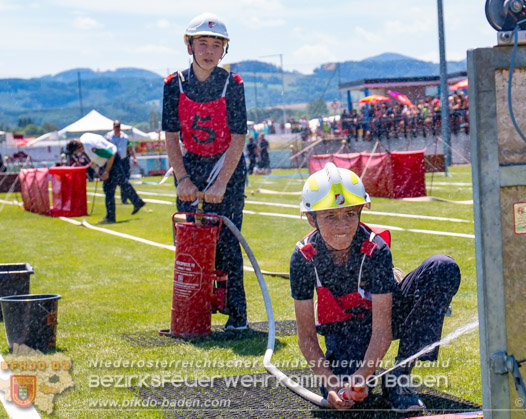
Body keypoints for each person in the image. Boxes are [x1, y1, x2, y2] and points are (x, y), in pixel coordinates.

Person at [290, 163, 461, 412]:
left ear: (361, 211)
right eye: (330, 216)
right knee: (356, 401)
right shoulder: (303, 258)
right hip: (346, 328)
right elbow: (306, 336)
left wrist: (364, 372)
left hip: (389, 316)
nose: (343, 226)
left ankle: (398, 378)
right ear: (310, 219)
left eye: (351, 214)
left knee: (442, 268)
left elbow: (382, 328)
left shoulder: (376, 250)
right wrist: (331, 384)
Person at [162, 12, 249, 330]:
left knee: (227, 240)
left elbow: (239, 136)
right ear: (189, 47)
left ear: (224, 50)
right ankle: (192, 308)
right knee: (188, 241)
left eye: (217, 44)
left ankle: (236, 313)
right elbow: (171, 135)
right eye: (203, 43)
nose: (209, 50)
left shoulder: (233, 84)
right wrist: (182, 177)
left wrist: (222, 183)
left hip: (227, 163)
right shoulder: (174, 84)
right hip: (191, 164)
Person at [66, 133, 145, 223]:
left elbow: (110, 155)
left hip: (112, 160)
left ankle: (111, 217)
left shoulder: (90, 148)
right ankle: (137, 201)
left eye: (76, 152)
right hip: (112, 158)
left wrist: (106, 171)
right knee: (122, 182)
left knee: (109, 189)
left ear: (78, 148)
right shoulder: (84, 137)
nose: (77, 153)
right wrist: (95, 162)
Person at [105, 120, 137, 204]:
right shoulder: (109, 137)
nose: (117, 128)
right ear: (113, 127)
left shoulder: (125, 137)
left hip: (124, 160)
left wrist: (134, 158)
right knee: (114, 181)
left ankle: (124, 199)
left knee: (125, 180)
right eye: (116, 126)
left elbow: (130, 148)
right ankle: (111, 200)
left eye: (118, 126)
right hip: (114, 161)